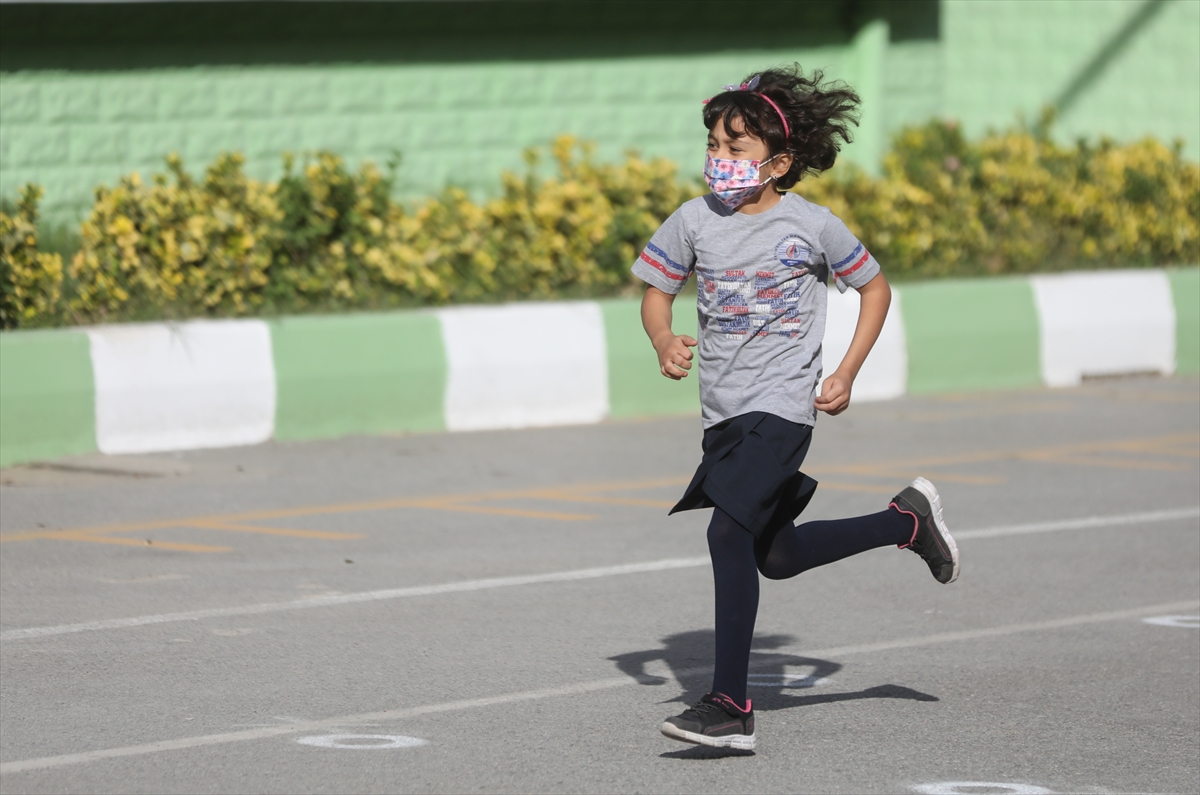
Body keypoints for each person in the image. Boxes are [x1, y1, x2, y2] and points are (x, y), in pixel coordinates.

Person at [632, 65, 960, 752]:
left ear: (778, 162)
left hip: (782, 409)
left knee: (726, 536)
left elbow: (875, 290)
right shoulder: (693, 220)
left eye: (736, 147)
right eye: (714, 146)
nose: (719, 160)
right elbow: (656, 293)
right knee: (774, 555)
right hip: (722, 414)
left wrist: (844, 371)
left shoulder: (812, 226)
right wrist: (663, 337)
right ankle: (905, 520)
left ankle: (729, 706)